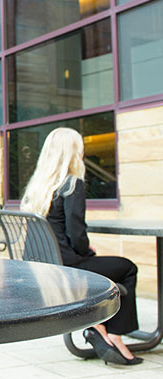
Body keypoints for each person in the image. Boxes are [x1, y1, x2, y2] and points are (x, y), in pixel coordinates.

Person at [20, 127, 142, 365]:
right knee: (127, 268)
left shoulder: (39, 187)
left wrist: (84, 250)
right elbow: (77, 236)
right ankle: (113, 334)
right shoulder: (71, 184)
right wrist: (86, 250)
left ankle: (97, 326)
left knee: (101, 265)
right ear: (73, 152)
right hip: (67, 268)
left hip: (41, 267)